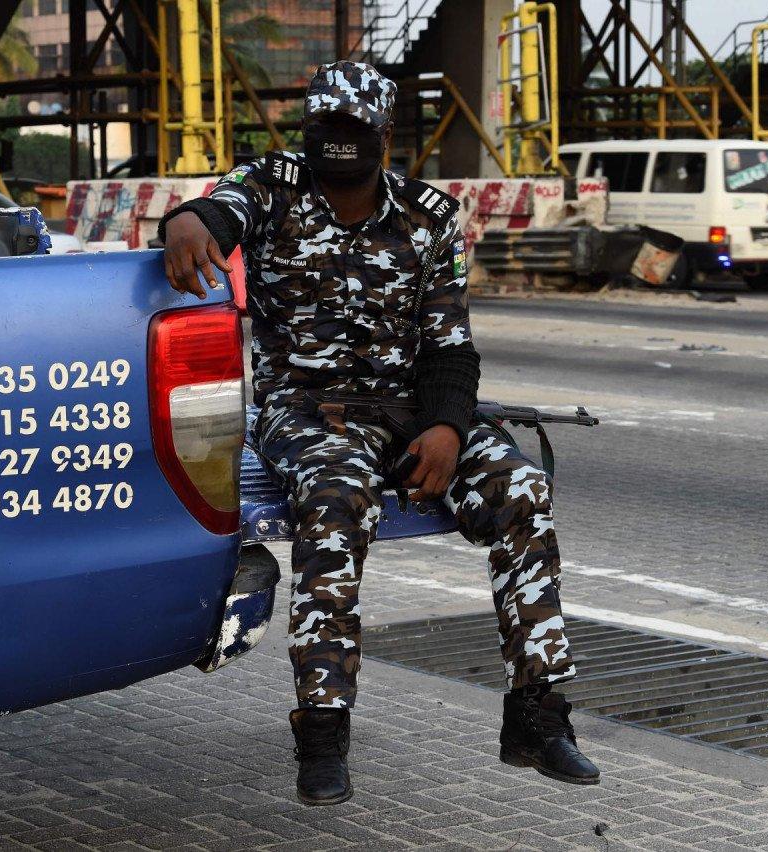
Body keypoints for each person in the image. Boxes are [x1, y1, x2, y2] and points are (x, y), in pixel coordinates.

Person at [160, 61, 599, 805]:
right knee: (335, 501)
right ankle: (323, 728)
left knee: (522, 488)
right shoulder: (273, 185)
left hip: (409, 411)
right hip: (307, 411)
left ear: (383, 135)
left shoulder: (429, 215)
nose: (336, 141)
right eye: (324, 126)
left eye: (352, 129)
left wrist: (447, 429)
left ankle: (537, 715)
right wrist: (189, 221)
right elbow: (220, 209)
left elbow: (451, 349)